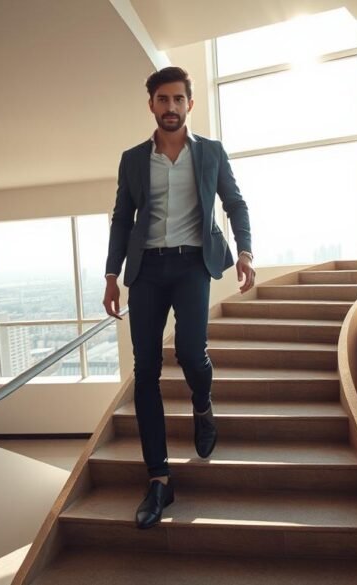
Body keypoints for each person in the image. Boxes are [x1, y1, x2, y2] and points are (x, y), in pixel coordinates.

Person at [102, 66, 255, 530]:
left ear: (190, 104)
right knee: (145, 370)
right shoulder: (132, 160)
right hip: (146, 270)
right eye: (162, 99)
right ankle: (160, 481)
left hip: (193, 264)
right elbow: (121, 220)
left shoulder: (210, 152)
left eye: (178, 99)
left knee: (191, 352)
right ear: (151, 104)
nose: (170, 107)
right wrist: (112, 275)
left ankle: (202, 407)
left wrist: (245, 250)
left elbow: (235, 202)